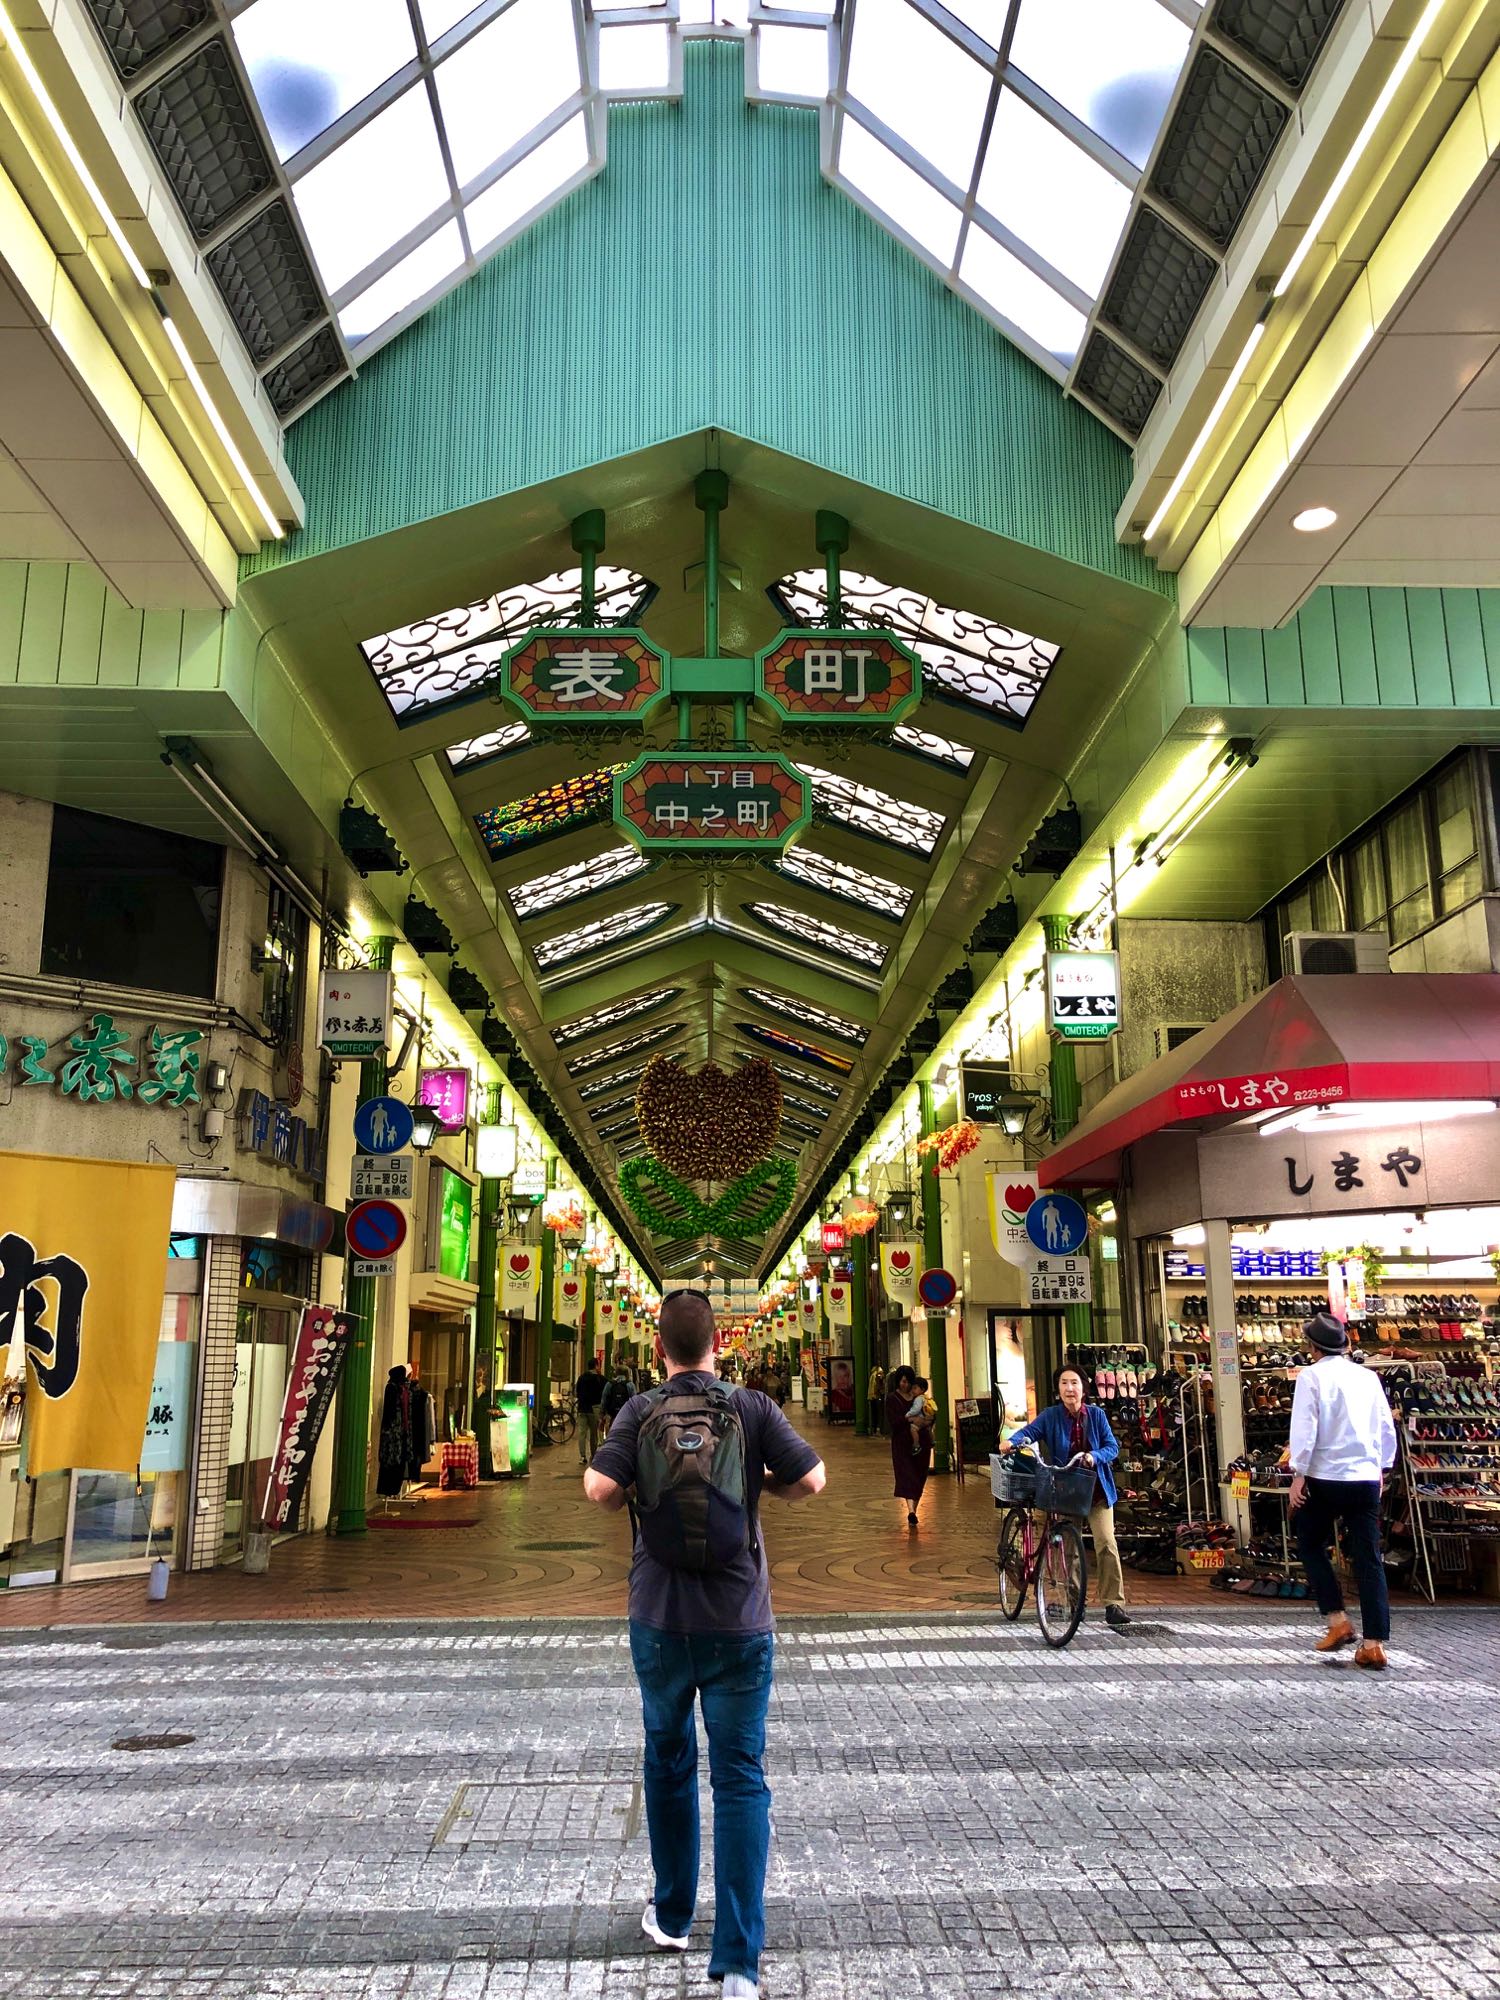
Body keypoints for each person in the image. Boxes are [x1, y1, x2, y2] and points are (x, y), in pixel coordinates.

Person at [584, 1290, 826, 2000]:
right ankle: (740, 1964)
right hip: (739, 1621)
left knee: (667, 1761)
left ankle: (672, 1915)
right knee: (740, 1776)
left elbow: (600, 1488)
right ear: (719, 1343)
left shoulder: (638, 1410)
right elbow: (813, 1478)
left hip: (659, 1619)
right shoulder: (751, 1408)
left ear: (658, 1348)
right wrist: (759, 1490)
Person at [1288, 1312, 1398, 1669]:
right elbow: (1385, 1425)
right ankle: (1374, 1643)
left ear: (1312, 1347)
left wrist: (1298, 1473)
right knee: (1369, 1559)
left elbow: (1306, 1427)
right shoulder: (1368, 1377)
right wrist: (1382, 1467)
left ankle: (1338, 1621)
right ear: (1345, 1345)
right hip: (1365, 1477)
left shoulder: (1311, 1376)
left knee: (1309, 1541)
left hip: (1325, 1476)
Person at [1000, 1364, 1131, 1629]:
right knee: (1069, 1549)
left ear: (1084, 1388)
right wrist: (1012, 1441)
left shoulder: (1096, 1416)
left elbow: (1112, 1447)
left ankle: (1113, 1603)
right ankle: (1074, 1602)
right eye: (1063, 1383)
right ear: (1058, 1389)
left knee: (1106, 1543)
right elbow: (1029, 1432)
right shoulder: (1051, 1416)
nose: (1069, 1388)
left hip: (1096, 1492)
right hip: (1067, 1491)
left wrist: (1095, 1456)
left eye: (1074, 1383)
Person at [885, 1365, 932, 1528]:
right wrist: (910, 1420)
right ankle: (911, 1511)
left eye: (907, 1382)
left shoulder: (919, 1398)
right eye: (902, 1381)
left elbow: (931, 1415)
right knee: (907, 1475)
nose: (904, 1385)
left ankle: (914, 1510)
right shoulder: (892, 1399)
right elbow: (893, 1422)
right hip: (902, 1444)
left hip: (922, 1442)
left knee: (919, 1475)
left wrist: (925, 1422)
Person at [575, 1357, 606, 1464]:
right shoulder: (600, 1379)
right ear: (596, 1366)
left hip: (582, 1408)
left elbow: (577, 1392)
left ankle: (582, 1456)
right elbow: (604, 1395)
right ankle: (593, 1455)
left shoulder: (581, 1378)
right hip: (594, 1409)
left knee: (582, 1433)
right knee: (594, 1434)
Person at [601, 1364, 634, 1434]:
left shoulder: (609, 1384)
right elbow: (634, 1401)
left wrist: (602, 1414)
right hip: (626, 1416)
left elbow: (604, 1399)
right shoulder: (630, 1385)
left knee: (610, 1434)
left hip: (611, 1414)